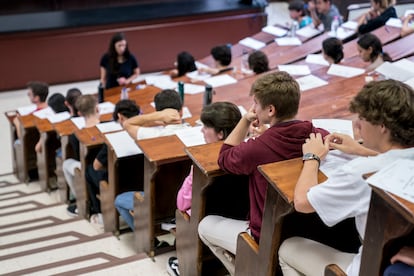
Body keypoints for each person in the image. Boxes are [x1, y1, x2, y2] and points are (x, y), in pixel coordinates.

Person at [197, 71, 329, 275]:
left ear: (270, 110)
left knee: (204, 225)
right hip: (305, 229)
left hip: (265, 233)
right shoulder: (315, 135)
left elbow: (224, 158)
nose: (253, 109)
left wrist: (245, 121)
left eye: (255, 104)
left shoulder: (257, 148)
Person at [278, 79, 414, 276]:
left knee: (288, 248)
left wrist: (312, 157)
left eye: (362, 118)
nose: (357, 124)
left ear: (382, 126)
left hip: (369, 265)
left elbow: (302, 202)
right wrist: (361, 150)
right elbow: (395, 161)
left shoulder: (361, 172)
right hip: (397, 255)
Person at [164, 102, 242, 276]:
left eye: (206, 127)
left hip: (209, 218)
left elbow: (182, 204)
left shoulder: (202, 165)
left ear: (220, 133)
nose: (201, 131)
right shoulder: (248, 152)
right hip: (240, 215)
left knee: (182, 214)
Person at [115, 89, 190, 230]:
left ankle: (148, 237)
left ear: (159, 113)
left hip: (159, 204)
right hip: (189, 200)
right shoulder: (195, 132)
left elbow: (127, 124)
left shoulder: (153, 136)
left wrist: (157, 116)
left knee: (119, 200)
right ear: (181, 111)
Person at [85, 99, 140, 224]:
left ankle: (98, 212)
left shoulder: (113, 140)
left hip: (119, 183)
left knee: (89, 170)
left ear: (120, 117)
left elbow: (96, 166)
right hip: (141, 180)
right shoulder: (144, 134)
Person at [63, 95, 101, 217]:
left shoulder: (77, 135)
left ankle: (81, 201)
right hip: (107, 166)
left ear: (79, 113)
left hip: (91, 169)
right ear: (97, 109)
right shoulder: (110, 126)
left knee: (67, 163)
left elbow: (79, 157)